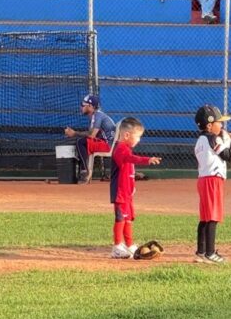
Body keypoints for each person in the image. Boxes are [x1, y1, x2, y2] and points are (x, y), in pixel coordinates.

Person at [109, 117, 162, 259]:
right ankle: (117, 246)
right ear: (126, 135)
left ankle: (129, 244)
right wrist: (147, 160)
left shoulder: (126, 149)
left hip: (127, 193)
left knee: (128, 219)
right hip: (120, 192)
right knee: (120, 218)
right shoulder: (120, 149)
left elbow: (128, 170)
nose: (139, 140)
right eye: (137, 136)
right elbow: (130, 159)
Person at [193, 104, 231, 264]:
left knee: (205, 217)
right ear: (209, 125)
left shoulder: (201, 139)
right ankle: (210, 253)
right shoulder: (212, 138)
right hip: (213, 180)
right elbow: (229, 156)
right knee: (212, 216)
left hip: (204, 179)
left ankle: (201, 251)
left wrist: (225, 139)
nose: (222, 125)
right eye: (219, 122)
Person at [64, 94, 116, 181]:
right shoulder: (95, 116)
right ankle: (84, 170)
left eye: (83, 105)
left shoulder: (97, 116)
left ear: (90, 106)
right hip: (105, 142)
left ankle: (84, 171)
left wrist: (74, 133)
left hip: (107, 145)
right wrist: (75, 133)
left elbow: (92, 135)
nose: (81, 107)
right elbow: (90, 133)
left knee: (80, 142)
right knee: (81, 141)